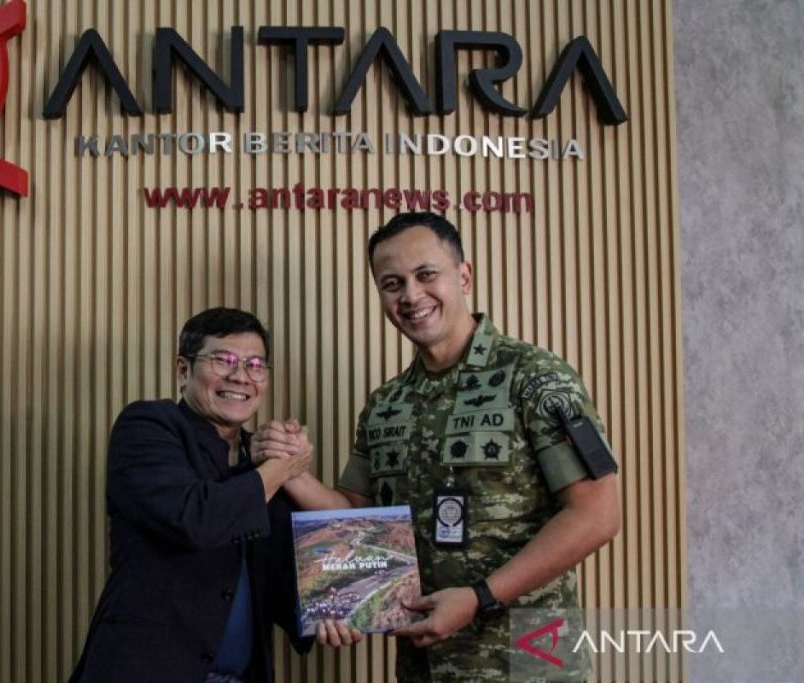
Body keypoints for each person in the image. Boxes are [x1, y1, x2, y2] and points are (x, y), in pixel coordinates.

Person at [252, 212, 621, 682]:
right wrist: (290, 469)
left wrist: (479, 597)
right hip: (423, 665)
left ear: (464, 276)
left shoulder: (534, 377)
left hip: (527, 663)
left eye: (426, 274)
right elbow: (357, 518)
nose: (410, 295)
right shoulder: (386, 405)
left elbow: (596, 515)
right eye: (392, 283)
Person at [70, 307, 314, 683]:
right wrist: (282, 467)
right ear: (183, 370)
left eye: (255, 365)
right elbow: (195, 518)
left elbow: (282, 573)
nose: (241, 376)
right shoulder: (147, 426)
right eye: (223, 360)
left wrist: (330, 612)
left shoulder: (260, 457)